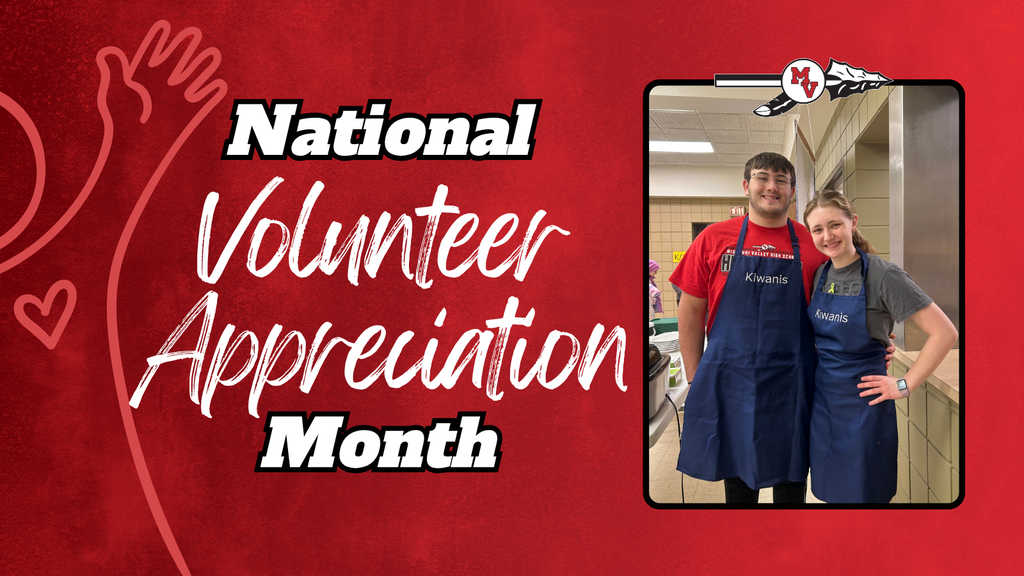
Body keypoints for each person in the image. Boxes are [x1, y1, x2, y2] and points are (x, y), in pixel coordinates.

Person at [668, 152, 828, 504]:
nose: (772, 186)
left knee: (792, 480)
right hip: (731, 381)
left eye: (782, 180)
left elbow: (834, 308)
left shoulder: (814, 243)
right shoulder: (712, 239)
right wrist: (695, 378)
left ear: (792, 191)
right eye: (762, 177)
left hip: (794, 381)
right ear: (746, 185)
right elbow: (691, 311)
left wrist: (873, 338)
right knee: (738, 481)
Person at [803, 190, 957, 503]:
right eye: (817, 229)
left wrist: (903, 384)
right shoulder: (821, 274)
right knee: (831, 495)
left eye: (835, 225)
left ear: (853, 222)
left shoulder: (884, 275)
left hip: (865, 407)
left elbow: (944, 333)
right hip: (824, 405)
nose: (827, 236)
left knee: (865, 499)